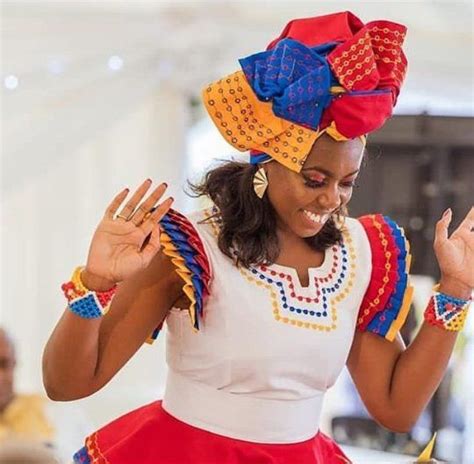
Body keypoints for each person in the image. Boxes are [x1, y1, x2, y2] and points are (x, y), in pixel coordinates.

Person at [42, 11, 473, 464]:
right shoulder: (191, 249)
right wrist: (93, 283)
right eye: (314, 178)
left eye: (346, 182)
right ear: (266, 165)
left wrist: (456, 290)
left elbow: (396, 408)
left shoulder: (362, 253)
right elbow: (66, 384)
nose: (331, 199)